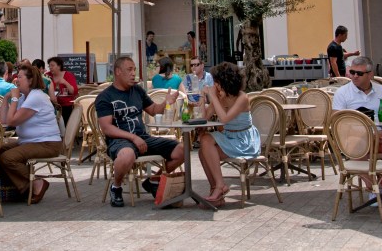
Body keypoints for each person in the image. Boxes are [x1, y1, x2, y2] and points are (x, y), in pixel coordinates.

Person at [96, 57, 184, 208]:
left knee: (182, 150)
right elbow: (107, 128)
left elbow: (154, 110)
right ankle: (116, 187)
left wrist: (166, 103)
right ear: (118, 72)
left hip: (143, 139)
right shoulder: (105, 97)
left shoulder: (137, 90)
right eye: (129, 70)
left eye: (134, 70)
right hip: (119, 141)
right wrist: (133, 138)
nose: (133, 74)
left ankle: (153, 180)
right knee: (127, 155)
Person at [332, 56, 382, 203]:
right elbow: (337, 122)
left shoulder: (381, 90)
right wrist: (364, 134)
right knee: (357, 150)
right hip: (355, 138)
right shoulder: (342, 93)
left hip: (381, 135)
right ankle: (375, 190)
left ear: (370, 74)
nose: (354, 76)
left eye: (359, 73)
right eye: (352, 72)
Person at [197, 62, 260, 207]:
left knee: (206, 140)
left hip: (243, 141)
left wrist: (213, 97)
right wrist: (202, 99)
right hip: (229, 137)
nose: (214, 85)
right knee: (202, 151)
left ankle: (220, 186)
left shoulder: (242, 98)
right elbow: (204, 119)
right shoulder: (219, 97)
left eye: (216, 82)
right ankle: (217, 192)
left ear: (224, 82)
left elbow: (224, 118)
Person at [0, 64, 62, 204]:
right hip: (29, 141)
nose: (16, 80)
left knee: (8, 158)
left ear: (30, 80)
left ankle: (36, 183)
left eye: (20, 77)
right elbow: (2, 121)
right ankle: (19, 188)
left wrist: (13, 99)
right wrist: (6, 99)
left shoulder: (36, 96)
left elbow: (12, 121)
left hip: (47, 143)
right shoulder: (24, 97)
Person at [46, 56, 78, 123]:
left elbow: (73, 91)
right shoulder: (47, 76)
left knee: (66, 123)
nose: (50, 68)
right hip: (51, 105)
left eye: (52, 65)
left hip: (66, 105)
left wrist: (65, 82)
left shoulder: (68, 75)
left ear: (59, 66)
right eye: (49, 66)